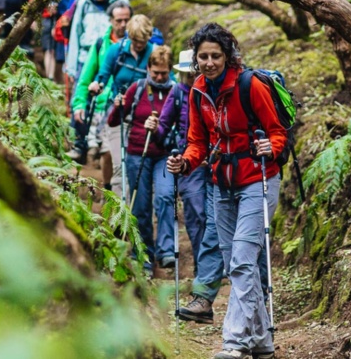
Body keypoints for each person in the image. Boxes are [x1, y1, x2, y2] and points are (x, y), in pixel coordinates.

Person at [167, 23, 287, 359]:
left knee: (242, 262)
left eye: (215, 56)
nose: (208, 62)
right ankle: (262, 343)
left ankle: (234, 343)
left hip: (258, 181)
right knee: (239, 262)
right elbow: (197, 142)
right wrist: (185, 163)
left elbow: (278, 132)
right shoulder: (198, 91)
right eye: (202, 57)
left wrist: (269, 147)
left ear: (227, 56)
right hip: (222, 185)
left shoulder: (250, 85)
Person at [145, 49, 225, 323]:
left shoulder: (212, 90)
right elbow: (164, 127)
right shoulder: (179, 93)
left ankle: (212, 272)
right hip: (190, 164)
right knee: (195, 215)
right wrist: (153, 127)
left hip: (214, 162)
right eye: (188, 72)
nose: (191, 76)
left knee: (212, 217)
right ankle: (205, 273)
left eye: (193, 71)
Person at [107, 45, 176, 276]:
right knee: (141, 206)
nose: (158, 77)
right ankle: (143, 252)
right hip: (138, 153)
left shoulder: (175, 92)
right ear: (148, 68)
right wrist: (117, 106)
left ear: (169, 71)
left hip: (164, 153)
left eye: (163, 73)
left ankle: (166, 250)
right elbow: (113, 122)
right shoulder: (137, 89)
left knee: (166, 197)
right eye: (155, 72)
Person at [89, 14, 156, 197]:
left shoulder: (154, 53)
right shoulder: (116, 51)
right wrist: (97, 85)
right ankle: (118, 213)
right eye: (135, 40)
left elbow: (165, 80)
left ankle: (134, 210)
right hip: (118, 115)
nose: (139, 44)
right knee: (119, 166)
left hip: (142, 118)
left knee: (136, 166)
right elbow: (103, 75)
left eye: (142, 41)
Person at [70, 1, 133, 192]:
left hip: (130, 106)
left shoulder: (139, 45)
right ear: (110, 20)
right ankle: (109, 191)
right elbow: (85, 78)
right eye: (118, 20)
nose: (122, 24)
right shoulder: (100, 45)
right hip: (102, 107)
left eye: (126, 20)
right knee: (108, 152)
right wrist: (79, 104)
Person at [65, 0, 130, 82]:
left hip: (112, 59)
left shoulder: (122, 3)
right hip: (85, 59)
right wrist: (72, 68)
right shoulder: (84, 3)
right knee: (81, 94)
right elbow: (75, 34)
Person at [29, 0, 60, 80]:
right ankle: (50, 77)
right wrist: (33, 20)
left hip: (60, 19)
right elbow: (33, 0)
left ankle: (52, 76)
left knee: (54, 49)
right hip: (46, 18)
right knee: (48, 48)